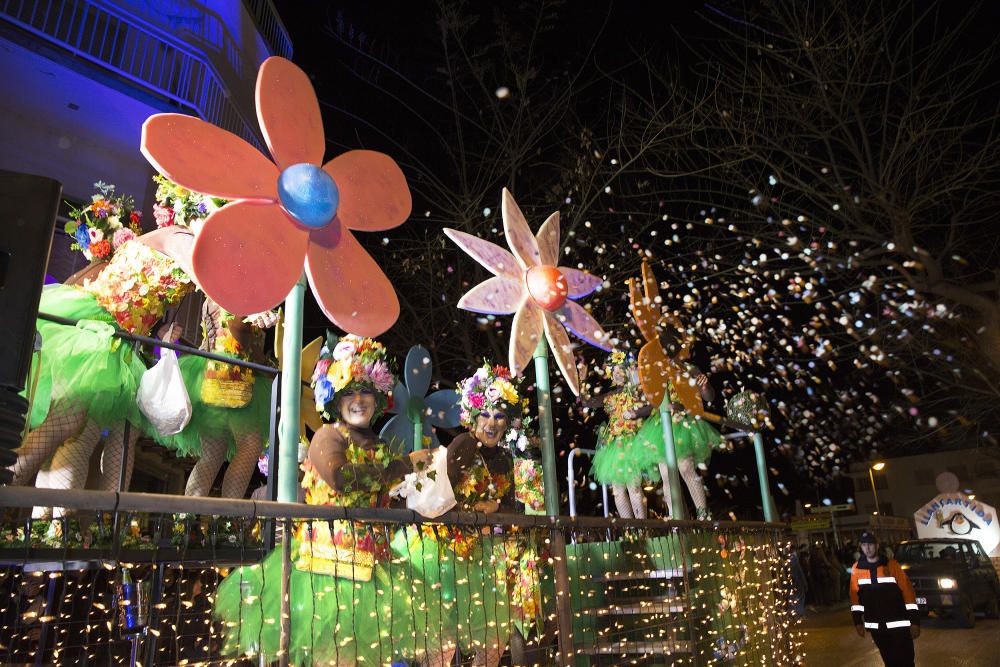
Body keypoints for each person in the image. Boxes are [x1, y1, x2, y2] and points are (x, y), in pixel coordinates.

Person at [213, 335, 445, 666]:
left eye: (366, 391)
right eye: (349, 391)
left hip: (373, 568)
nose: (359, 400)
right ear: (334, 399)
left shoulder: (379, 444)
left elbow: (385, 497)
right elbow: (340, 477)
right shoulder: (328, 436)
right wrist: (405, 465)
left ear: (378, 398)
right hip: (328, 573)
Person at [586, 351, 661, 518]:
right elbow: (588, 402)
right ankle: (629, 529)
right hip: (613, 446)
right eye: (615, 371)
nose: (618, 374)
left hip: (631, 442)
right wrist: (580, 381)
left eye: (622, 369)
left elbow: (652, 406)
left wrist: (635, 413)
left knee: (634, 487)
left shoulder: (635, 390)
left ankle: (642, 527)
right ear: (610, 375)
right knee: (618, 491)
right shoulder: (609, 395)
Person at [850, 531, 920, 666]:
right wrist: (857, 621)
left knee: (906, 661)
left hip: (899, 625)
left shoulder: (891, 565)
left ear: (877, 546)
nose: (867, 548)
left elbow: (908, 592)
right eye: (864, 545)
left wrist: (915, 621)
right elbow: (855, 598)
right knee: (889, 661)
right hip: (877, 627)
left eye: (870, 544)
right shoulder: (856, 569)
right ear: (861, 547)